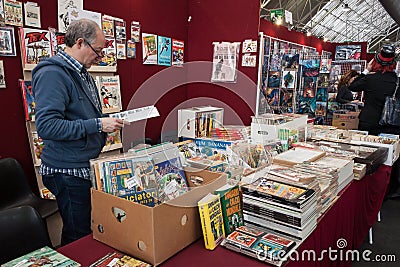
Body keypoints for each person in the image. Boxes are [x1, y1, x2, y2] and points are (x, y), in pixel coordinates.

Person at [32, 19, 124, 245]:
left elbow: (81, 116)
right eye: (98, 51)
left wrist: (106, 121)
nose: (100, 57)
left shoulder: (83, 72)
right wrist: (99, 125)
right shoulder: (53, 73)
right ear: (80, 43)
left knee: (86, 226)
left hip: (83, 164)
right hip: (67, 170)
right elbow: (47, 126)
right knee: (77, 233)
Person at [348, 44, 400, 198]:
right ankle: (391, 190)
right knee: (392, 158)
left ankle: (366, 187)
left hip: (369, 123)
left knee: (367, 155)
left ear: (375, 62)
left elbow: (352, 86)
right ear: (394, 64)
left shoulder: (370, 79)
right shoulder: (397, 81)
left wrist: (366, 70)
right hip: (392, 125)